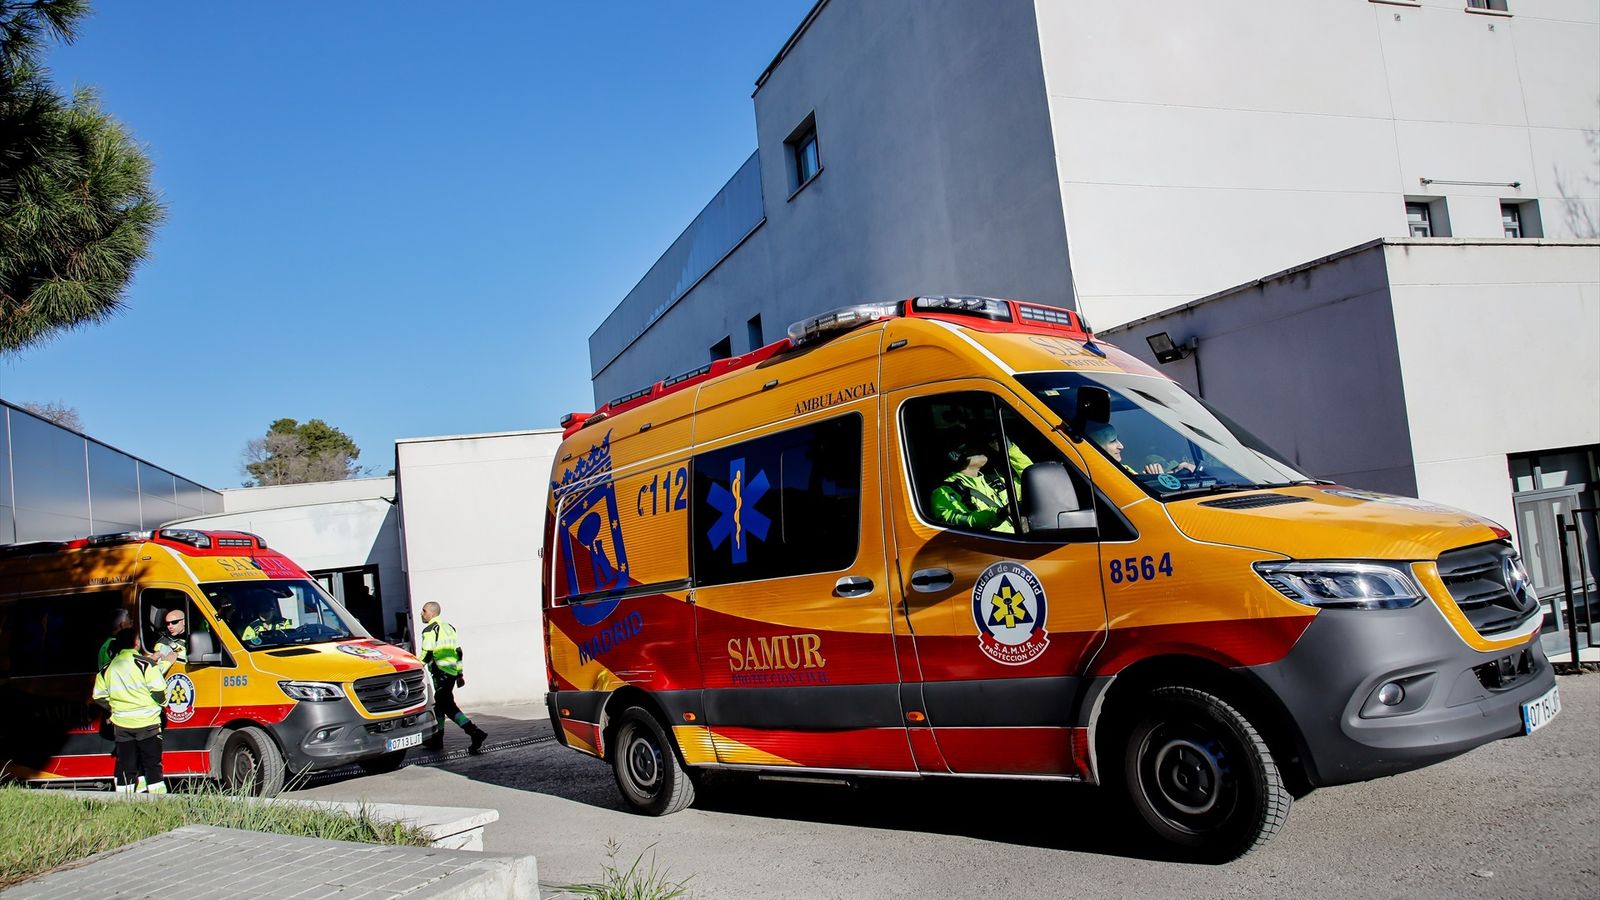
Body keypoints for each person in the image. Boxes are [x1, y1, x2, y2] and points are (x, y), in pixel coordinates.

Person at [92, 629, 169, 794]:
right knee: (152, 766)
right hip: (148, 723)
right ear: (137, 643)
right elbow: (160, 690)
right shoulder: (145, 664)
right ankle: (159, 804)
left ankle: (123, 803)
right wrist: (160, 705)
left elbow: (98, 696)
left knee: (126, 767)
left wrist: (114, 708)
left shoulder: (107, 669)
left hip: (121, 725)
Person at [419, 602, 487, 754]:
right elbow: (459, 651)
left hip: (440, 672)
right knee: (440, 706)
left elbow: (428, 652)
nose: (422, 614)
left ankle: (475, 732)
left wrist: (417, 666)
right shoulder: (449, 628)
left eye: (423, 611)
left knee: (447, 706)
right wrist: (459, 674)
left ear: (431, 613)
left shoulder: (430, 629)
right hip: (450, 673)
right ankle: (438, 739)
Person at [930, 438, 1014, 533]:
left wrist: (1009, 449)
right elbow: (953, 519)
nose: (977, 449)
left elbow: (1029, 474)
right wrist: (999, 513)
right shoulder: (945, 491)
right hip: (994, 544)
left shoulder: (995, 480)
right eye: (970, 446)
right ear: (954, 455)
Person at [1084, 422, 1195, 476]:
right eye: (1113, 441)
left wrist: (1175, 471)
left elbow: (1137, 480)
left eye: (1118, 439)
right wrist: (1158, 480)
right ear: (1095, 446)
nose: (1121, 446)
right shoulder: (1101, 475)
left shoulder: (1122, 468)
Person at [153, 608, 188, 674]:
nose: (170, 626)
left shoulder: (195, 637)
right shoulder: (162, 643)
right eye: (168, 623)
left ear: (184, 621)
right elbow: (156, 669)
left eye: (174, 622)